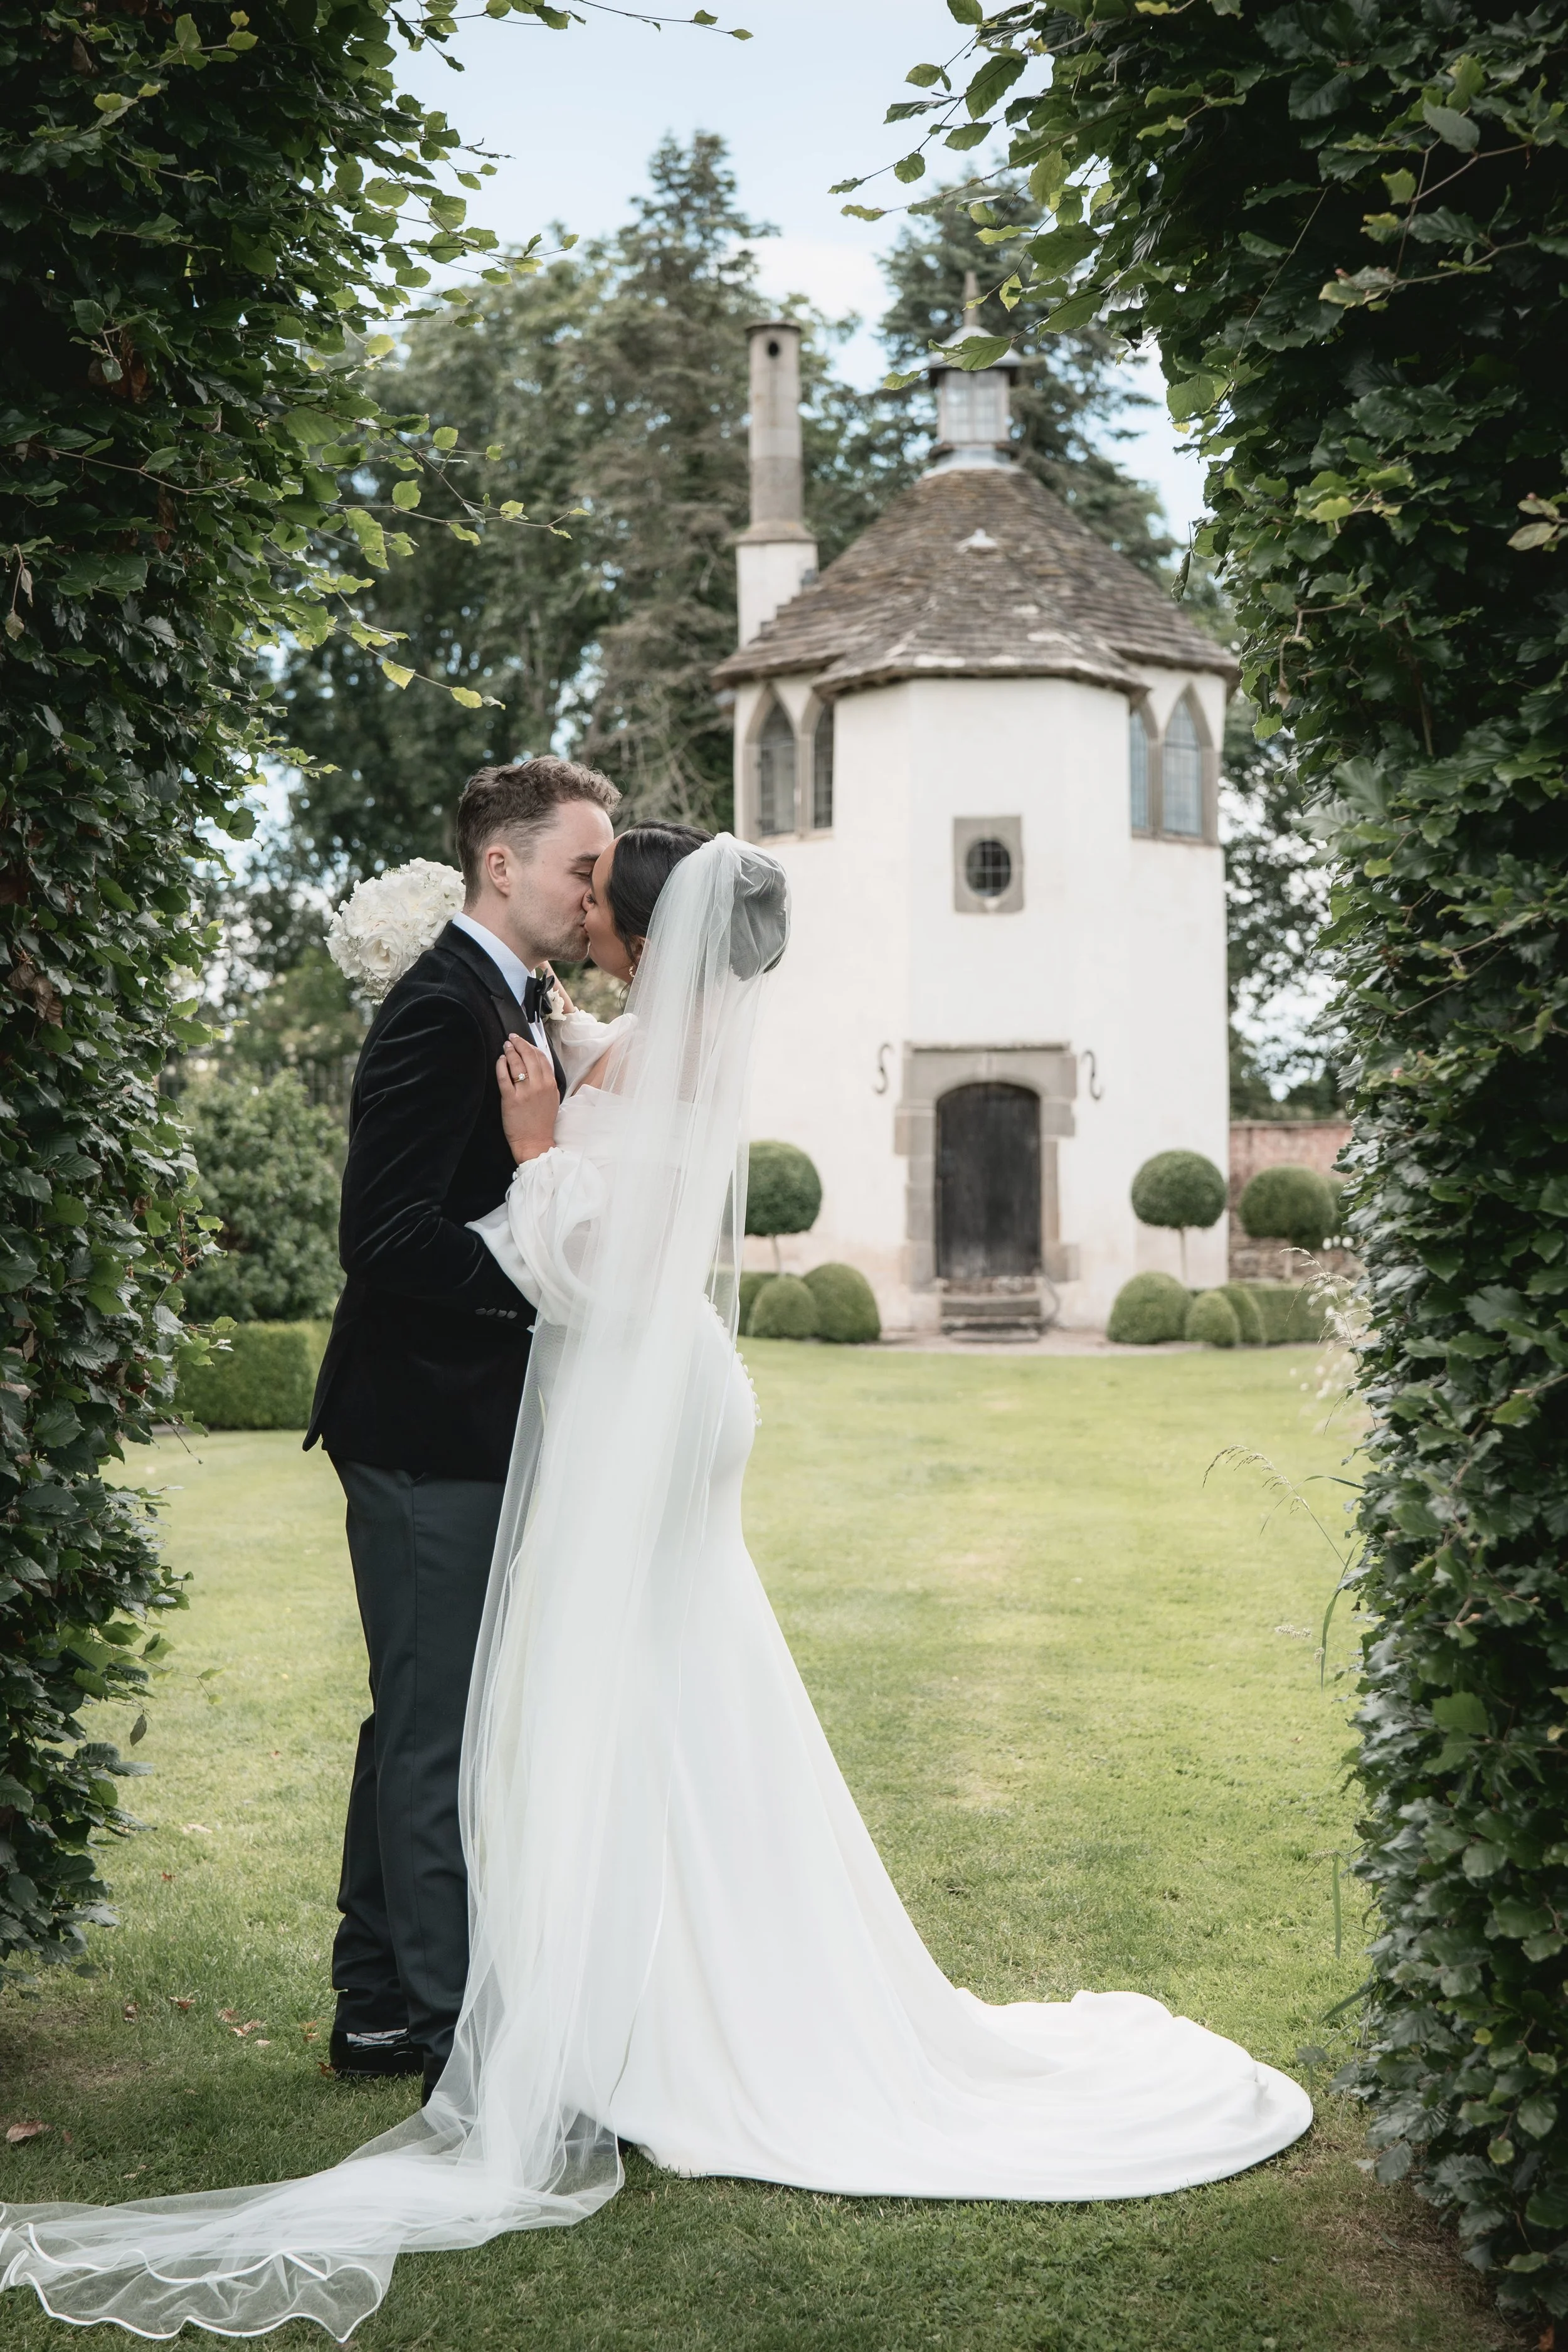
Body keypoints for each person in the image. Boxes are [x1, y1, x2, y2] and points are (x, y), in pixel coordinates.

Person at [0, 831, 1311, 2343]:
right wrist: (553, 1074)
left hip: (639, 1389)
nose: (586, 890)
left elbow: (597, 1266)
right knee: (659, 1683)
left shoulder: (641, 1069)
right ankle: (580, 1988)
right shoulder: (650, 1037)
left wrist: (546, 1152)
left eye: (602, 877)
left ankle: (611, 2022)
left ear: (638, 926)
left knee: (606, 1684)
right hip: (678, 1398)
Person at [304, 756, 617, 2097]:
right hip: (424, 1426)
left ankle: (376, 2004)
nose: (592, 892)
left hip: (464, 1425)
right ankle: (441, 2029)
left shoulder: (513, 997)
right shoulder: (441, 1007)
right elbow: (380, 1235)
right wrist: (542, 1297)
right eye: (580, 868)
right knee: (437, 1733)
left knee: (416, 1718)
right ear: (504, 863)